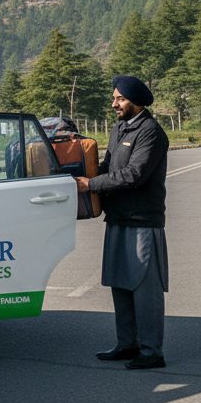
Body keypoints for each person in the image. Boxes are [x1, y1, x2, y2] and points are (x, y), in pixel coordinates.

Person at [76, 75, 169, 369]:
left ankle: (152, 351)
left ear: (136, 101)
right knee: (120, 284)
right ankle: (127, 344)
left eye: (120, 99)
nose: (114, 103)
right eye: (114, 98)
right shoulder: (119, 128)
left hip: (142, 221)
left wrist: (90, 185)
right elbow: (107, 167)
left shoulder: (151, 132)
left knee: (144, 288)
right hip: (117, 218)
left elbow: (134, 175)